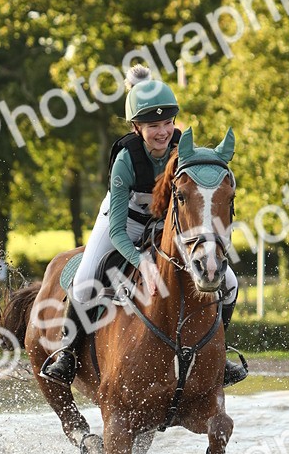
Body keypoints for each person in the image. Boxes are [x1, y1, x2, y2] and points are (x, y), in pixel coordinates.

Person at [40, 64, 246, 387]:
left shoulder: (182, 149)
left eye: (167, 123)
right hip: (123, 225)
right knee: (83, 282)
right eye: (153, 126)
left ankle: (218, 355)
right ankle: (67, 353)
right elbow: (118, 232)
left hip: (165, 225)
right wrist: (142, 263)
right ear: (137, 128)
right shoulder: (125, 160)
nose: (162, 132)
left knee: (229, 282)